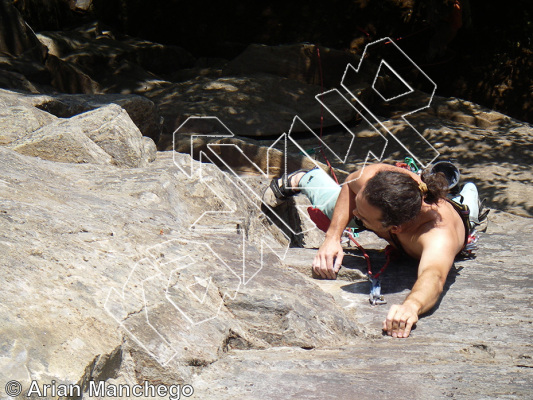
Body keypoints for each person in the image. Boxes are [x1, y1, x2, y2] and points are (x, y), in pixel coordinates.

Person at [263, 162, 483, 338]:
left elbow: (433, 275)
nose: (355, 213)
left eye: (363, 216)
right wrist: (332, 237)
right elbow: (350, 184)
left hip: (458, 218)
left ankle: (466, 191)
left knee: (469, 205)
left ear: (394, 229)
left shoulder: (438, 236)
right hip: (400, 208)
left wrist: (411, 306)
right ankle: (308, 177)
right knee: (334, 209)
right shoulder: (378, 177)